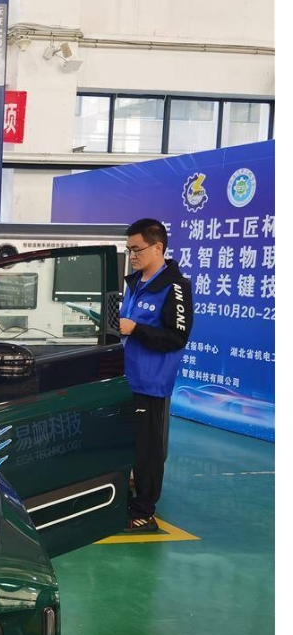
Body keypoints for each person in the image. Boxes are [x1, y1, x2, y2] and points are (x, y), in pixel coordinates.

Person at [118, 218, 193, 533]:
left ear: (157, 247)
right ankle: (124, 498)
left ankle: (144, 511)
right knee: (126, 444)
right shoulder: (135, 283)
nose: (132, 255)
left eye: (137, 249)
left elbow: (177, 337)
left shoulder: (174, 287)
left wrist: (135, 328)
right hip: (125, 378)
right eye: (129, 250)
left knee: (148, 451)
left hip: (150, 382)